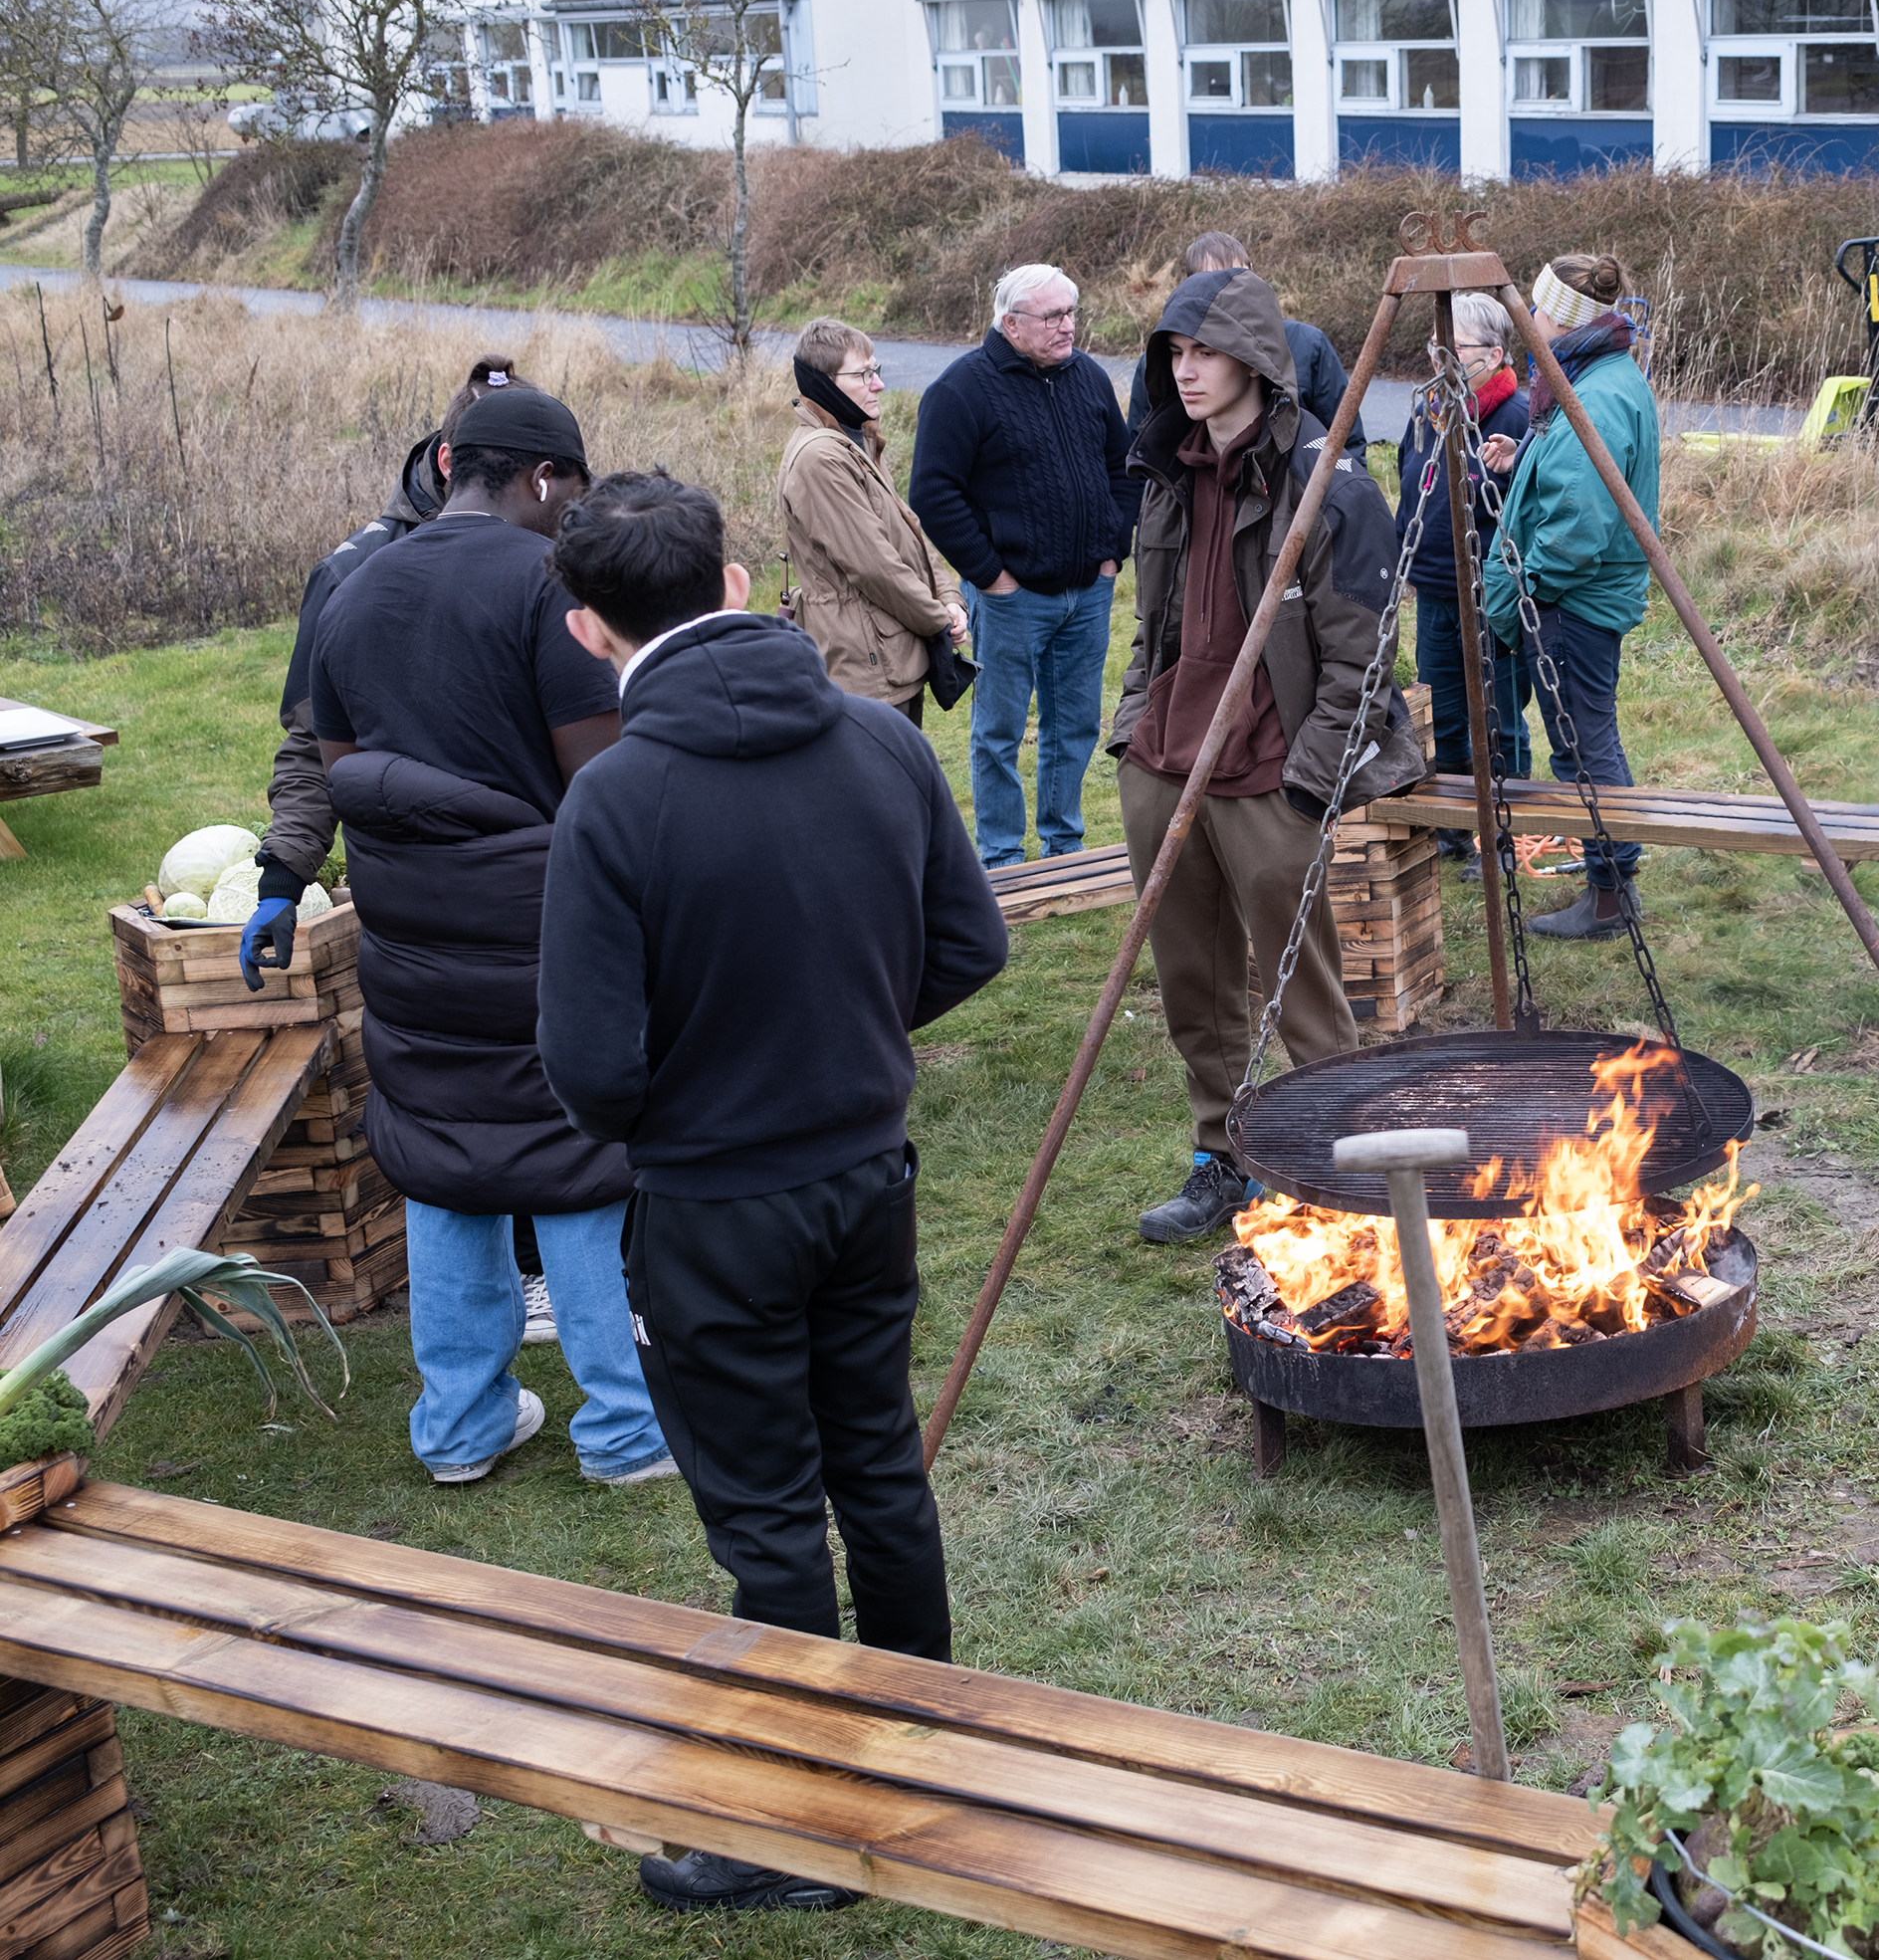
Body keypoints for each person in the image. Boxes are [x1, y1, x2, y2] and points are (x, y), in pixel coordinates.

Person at [538, 473, 1007, 1916]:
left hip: (717, 1203)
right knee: (875, 1461)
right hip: (866, 1176)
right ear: (736, 579)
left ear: (586, 628)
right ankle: (920, 1761)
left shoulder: (615, 797)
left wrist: (721, 1092)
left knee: (762, 1511)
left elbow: (592, 1070)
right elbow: (966, 947)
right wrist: (848, 1039)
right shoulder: (879, 743)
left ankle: (806, 1833)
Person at [306, 383, 673, 1490]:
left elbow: (339, 774)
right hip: (537, 927)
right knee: (576, 1159)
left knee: (442, 1155)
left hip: (407, 931)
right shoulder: (546, 589)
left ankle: (460, 1427)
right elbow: (604, 787)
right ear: (545, 480)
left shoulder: (355, 589)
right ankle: (623, 1431)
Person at [1112, 266, 1424, 1244]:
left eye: (1204, 352)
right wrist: (1133, 729)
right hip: (1168, 762)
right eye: (1174, 352)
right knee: (1194, 983)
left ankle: (1334, 1168)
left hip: (1271, 773)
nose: (1186, 371)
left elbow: (1365, 656)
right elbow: (1150, 627)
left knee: (1304, 990)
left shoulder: (1326, 487)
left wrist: (1309, 780)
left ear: (1255, 361)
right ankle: (1223, 1158)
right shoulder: (1166, 472)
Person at [246, 352, 518, 967]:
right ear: (449, 463)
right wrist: (282, 878)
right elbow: (315, 747)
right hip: (411, 883)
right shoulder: (351, 578)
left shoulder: (552, 545)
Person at [908, 262, 1135, 871]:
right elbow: (932, 493)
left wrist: (1114, 552)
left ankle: (1064, 846)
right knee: (998, 733)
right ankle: (1002, 858)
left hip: (1088, 590)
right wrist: (991, 576)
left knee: (1075, 725)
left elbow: (1122, 467)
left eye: (1071, 313)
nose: (1068, 327)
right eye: (1053, 316)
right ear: (1010, 324)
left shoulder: (1086, 377)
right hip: (1010, 598)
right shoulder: (961, 391)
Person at [1479, 253, 1659, 942]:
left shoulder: (1597, 394)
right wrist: (1522, 455)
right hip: (1570, 597)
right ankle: (1610, 886)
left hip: (1571, 602)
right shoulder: (1586, 375)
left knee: (1584, 747)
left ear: (1562, 319)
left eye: (1537, 310)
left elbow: (1581, 522)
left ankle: (1610, 895)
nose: (1528, 322)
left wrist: (1530, 586)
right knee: (1584, 739)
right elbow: (1569, 475)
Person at [1395, 291, 1531, 880]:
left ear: (1494, 354)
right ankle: (1454, 825)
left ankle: (1506, 833)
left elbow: (1516, 509)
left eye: (1455, 349)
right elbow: (1408, 486)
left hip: (1489, 593)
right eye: (1434, 346)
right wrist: (1399, 561)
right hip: (1433, 588)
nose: (1438, 359)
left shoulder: (1515, 417)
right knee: (1446, 710)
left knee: (1497, 713)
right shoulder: (1429, 409)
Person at [778, 317, 968, 724]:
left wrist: (949, 599)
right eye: (863, 374)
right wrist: (938, 618)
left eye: (875, 370)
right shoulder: (821, 459)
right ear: (824, 384)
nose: (878, 384)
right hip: (864, 671)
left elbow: (908, 532)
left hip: (890, 655)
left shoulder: (855, 442)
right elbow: (875, 565)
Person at [1126, 232, 1363, 460]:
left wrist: (1340, 495)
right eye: (1210, 283)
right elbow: (1143, 450)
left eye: (1236, 279)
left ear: (1253, 276)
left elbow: (1345, 442)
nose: (1225, 294)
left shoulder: (1308, 344)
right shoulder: (1158, 360)